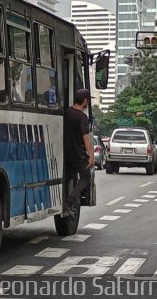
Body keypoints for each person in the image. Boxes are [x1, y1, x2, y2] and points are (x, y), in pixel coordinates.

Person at [63, 88, 94, 217]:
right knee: (86, 176)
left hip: (66, 153)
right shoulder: (82, 117)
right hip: (78, 154)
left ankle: (65, 199)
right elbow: (85, 137)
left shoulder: (67, 112)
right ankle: (70, 201)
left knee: (68, 177)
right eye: (88, 101)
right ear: (85, 100)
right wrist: (91, 155)